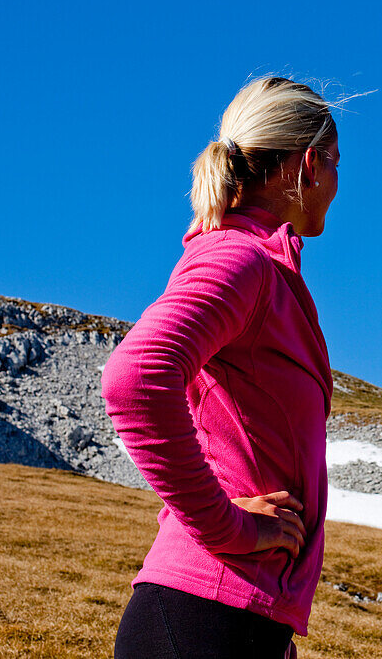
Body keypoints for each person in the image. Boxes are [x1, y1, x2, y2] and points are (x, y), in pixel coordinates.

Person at [102, 76, 341, 659]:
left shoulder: (263, 267)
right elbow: (135, 377)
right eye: (337, 161)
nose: (339, 180)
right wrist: (229, 528)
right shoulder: (241, 258)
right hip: (204, 617)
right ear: (307, 164)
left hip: (235, 621)